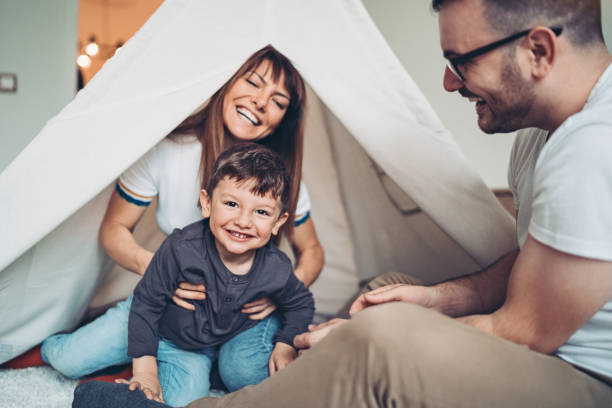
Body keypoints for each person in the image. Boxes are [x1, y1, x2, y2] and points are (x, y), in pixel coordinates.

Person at [72, 0, 612, 406]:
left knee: (379, 336)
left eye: (460, 60)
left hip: (587, 378)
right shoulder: (541, 139)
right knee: (385, 293)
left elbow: (525, 329)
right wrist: (434, 299)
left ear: (538, 51)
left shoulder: (594, 145)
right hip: (179, 314)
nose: (449, 82)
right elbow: (534, 264)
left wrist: (354, 333)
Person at [35, 45, 323, 386]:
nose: (261, 102)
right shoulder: (169, 150)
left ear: (283, 120)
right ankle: (153, 358)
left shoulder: (278, 178)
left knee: (247, 376)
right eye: (253, 83)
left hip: (240, 314)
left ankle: (205, 363)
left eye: (278, 101)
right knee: (70, 359)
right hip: (171, 308)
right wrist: (157, 270)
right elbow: (114, 229)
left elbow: (312, 251)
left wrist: (278, 293)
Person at [92, 143, 314, 407]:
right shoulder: (181, 248)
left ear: (278, 223)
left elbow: (302, 303)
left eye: (262, 212)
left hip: (192, 348)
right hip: (152, 317)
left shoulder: (275, 268)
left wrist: (286, 343)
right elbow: (146, 304)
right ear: (207, 203)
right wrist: (145, 373)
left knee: (183, 401)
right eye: (231, 204)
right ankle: (58, 350)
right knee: (68, 360)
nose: (243, 221)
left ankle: (184, 365)